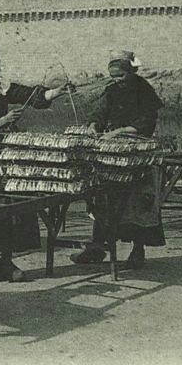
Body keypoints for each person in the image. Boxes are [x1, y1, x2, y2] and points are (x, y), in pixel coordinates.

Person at [0, 42, 73, 282]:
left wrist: (56, 92)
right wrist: (4, 120)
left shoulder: (1, 85)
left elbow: (32, 96)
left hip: (6, 152)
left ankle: (6, 261)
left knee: (10, 205)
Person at [71, 50, 165, 269]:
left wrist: (119, 132)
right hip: (111, 153)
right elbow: (99, 113)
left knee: (138, 201)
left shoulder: (144, 91)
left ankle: (137, 249)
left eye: (121, 76)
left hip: (137, 150)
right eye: (113, 76)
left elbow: (146, 124)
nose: (117, 80)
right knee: (102, 197)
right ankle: (96, 247)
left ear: (131, 72)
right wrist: (94, 126)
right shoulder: (111, 91)